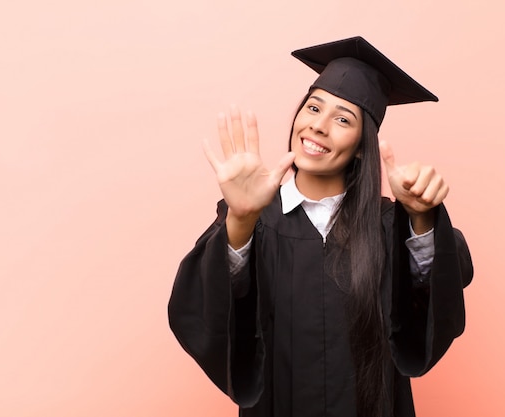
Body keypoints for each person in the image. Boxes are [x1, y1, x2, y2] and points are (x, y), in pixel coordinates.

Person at [168, 36, 473, 417]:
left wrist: (422, 218)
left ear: (363, 145)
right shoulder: (254, 221)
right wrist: (242, 219)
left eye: (343, 119)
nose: (319, 126)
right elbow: (205, 308)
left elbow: (437, 291)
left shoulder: (388, 227)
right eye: (313, 108)